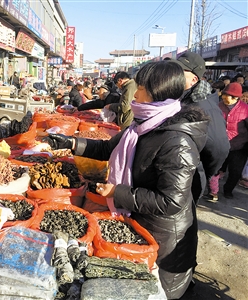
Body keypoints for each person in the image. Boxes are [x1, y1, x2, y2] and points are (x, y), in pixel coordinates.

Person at [44, 60, 209, 299]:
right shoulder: (143, 124)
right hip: (138, 220)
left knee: (156, 291)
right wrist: (71, 143)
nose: (134, 92)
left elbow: (170, 201)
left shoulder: (177, 140)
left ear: (156, 93)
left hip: (163, 235)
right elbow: (107, 149)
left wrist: (117, 193)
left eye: (140, 87)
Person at [174, 51, 230, 202]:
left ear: (194, 79)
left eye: (180, 72)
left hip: (188, 180)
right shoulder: (181, 98)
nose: (174, 74)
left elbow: (219, 148)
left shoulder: (202, 107)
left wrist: (204, 172)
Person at [212, 83, 248, 199]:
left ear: (235, 98)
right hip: (221, 143)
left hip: (239, 145)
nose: (224, 100)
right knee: (215, 168)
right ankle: (213, 190)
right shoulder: (218, 106)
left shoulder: (245, 109)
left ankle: (228, 190)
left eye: (226, 99)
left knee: (235, 171)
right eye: (223, 97)